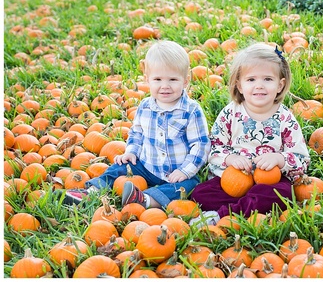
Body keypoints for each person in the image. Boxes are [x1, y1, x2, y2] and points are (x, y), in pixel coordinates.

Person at [62, 40, 211, 209]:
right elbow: (137, 133)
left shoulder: (191, 110)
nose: (165, 86)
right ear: (147, 79)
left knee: (189, 185)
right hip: (146, 166)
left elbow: (201, 145)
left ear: (185, 81)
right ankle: (93, 191)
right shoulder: (145, 106)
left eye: (172, 79)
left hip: (176, 172)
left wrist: (185, 171)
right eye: (158, 79)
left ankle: (145, 200)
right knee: (119, 167)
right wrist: (131, 152)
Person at [189, 43, 310, 226]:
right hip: (233, 180)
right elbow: (214, 147)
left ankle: (221, 215)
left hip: (269, 182)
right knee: (200, 193)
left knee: (283, 194)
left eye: (268, 79)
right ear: (239, 84)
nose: (259, 86)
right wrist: (230, 159)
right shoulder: (230, 114)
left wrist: (279, 158)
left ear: (280, 84)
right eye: (251, 79)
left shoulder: (285, 118)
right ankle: (246, 207)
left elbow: (301, 157)